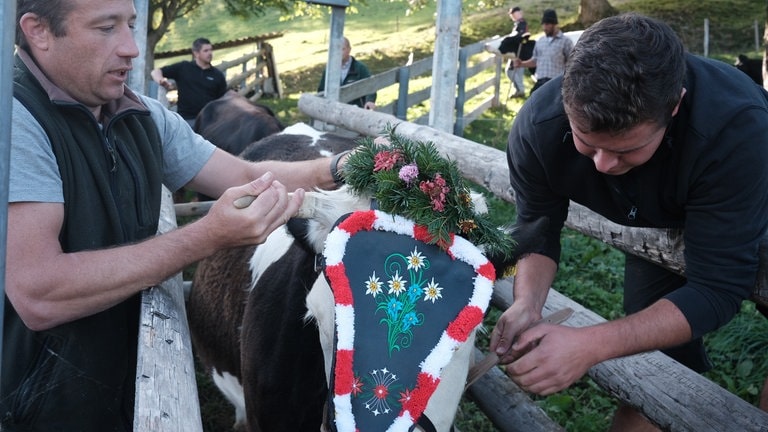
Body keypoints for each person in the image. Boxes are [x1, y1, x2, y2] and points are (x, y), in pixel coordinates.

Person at [3, 0, 349, 430]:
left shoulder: (140, 116)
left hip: (120, 379)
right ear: (38, 31)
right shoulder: (14, 120)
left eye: (129, 24)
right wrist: (205, 237)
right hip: (41, 406)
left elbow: (243, 173)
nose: (131, 47)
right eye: (106, 27)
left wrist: (337, 168)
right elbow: (39, 293)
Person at [492, 13, 768, 431]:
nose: (603, 165)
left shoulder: (737, 128)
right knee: (655, 360)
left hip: (752, 197)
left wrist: (590, 344)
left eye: (626, 150)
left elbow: (717, 288)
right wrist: (528, 304)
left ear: (674, 105)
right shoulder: (539, 126)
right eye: (588, 143)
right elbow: (537, 228)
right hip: (661, 217)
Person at [150, 37, 227, 126]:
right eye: (206, 51)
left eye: (211, 50)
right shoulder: (184, 68)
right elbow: (155, 72)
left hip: (209, 121)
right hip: (187, 120)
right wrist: (161, 81)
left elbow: (222, 100)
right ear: (196, 53)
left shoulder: (217, 75)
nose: (210, 53)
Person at [512, 9, 572, 95]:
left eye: (547, 24)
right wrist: (521, 64)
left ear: (554, 24)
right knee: (531, 103)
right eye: (543, 24)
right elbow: (535, 61)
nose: (544, 28)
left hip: (556, 84)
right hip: (540, 82)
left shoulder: (566, 41)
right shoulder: (540, 41)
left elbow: (572, 63)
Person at [317, 37, 377, 110]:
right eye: (336, 50)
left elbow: (370, 86)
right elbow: (321, 90)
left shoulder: (360, 68)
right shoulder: (329, 70)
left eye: (343, 49)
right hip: (335, 111)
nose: (339, 52)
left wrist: (369, 101)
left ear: (349, 49)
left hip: (356, 110)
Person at [506, 6, 528, 98]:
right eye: (513, 15)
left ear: (520, 13)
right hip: (519, 50)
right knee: (518, 71)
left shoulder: (522, 24)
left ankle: (520, 90)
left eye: (516, 14)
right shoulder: (518, 23)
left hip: (518, 51)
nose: (515, 16)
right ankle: (519, 90)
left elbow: (520, 37)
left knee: (510, 70)